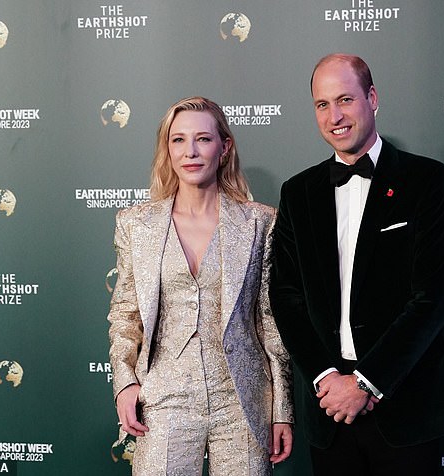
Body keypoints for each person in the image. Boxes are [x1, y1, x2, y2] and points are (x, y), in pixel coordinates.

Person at [269, 54, 444, 475]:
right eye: (322, 104)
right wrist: (326, 379)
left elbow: (432, 298)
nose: (334, 116)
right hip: (329, 411)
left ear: (372, 98)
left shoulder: (429, 181)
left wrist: (366, 382)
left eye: (345, 100)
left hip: (405, 405)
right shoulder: (298, 192)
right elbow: (285, 297)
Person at [107, 97, 294, 476]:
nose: (190, 151)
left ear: (224, 148)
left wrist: (282, 409)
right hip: (163, 398)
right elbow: (126, 315)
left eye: (203, 139)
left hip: (242, 401)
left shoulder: (260, 223)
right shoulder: (136, 225)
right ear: (168, 149)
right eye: (178, 140)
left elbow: (271, 324)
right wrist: (125, 382)